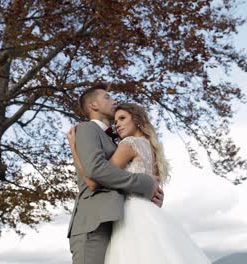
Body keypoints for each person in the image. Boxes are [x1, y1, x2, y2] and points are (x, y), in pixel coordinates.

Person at [67, 102, 212, 263]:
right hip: (150, 213)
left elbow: (96, 180)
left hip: (130, 215)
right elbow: (154, 189)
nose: (118, 125)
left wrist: (75, 149)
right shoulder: (152, 148)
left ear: (136, 119)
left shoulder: (128, 144)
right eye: (116, 122)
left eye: (122, 118)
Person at [66, 84, 164, 264]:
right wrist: (145, 184)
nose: (113, 101)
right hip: (93, 222)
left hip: (116, 220)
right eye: (107, 97)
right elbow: (96, 173)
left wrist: (151, 194)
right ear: (93, 106)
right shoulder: (87, 128)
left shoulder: (118, 141)